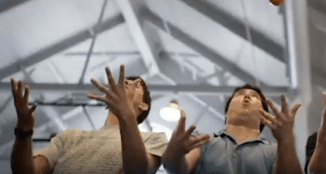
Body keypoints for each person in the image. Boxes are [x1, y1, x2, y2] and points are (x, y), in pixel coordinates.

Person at [10, 65, 168, 174]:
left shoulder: (153, 139)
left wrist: (127, 114)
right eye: (124, 82)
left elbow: (137, 170)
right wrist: (23, 130)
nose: (127, 83)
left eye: (137, 85)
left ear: (143, 106)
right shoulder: (69, 137)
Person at [162, 83, 304, 174]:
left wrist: (287, 140)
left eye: (254, 97)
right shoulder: (202, 141)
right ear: (226, 112)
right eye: (240, 95)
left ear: (264, 117)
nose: (247, 97)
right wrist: (174, 153)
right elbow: (177, 168)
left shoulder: (276, 151)